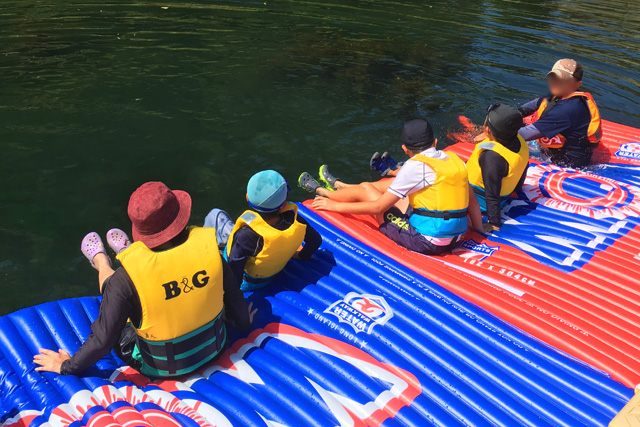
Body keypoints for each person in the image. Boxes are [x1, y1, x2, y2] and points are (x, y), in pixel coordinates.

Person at [34, 182, 253, 378]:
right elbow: (234, 297)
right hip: (214, 347)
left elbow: (103, 340)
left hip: (161, 367)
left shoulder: (123, 280)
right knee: (129, 288)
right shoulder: (209, 251)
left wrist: (66, 366)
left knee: (113, 286)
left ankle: (102, 262)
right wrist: (244, 325)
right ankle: (129, 255)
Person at [299, 119, 483, 256]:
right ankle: (338, 187)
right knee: (393, 193)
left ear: (405, 149)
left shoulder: (414, 166)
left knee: (366, 190)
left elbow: (378, 207)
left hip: (427, 241)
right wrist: (479, 231)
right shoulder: (455, 160)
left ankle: (324, 193)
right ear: (435, 142)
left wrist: (335, 207)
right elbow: (473, 204)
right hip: (456, 237)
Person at [205, 170, 322, 292]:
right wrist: (299, 255)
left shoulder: (245, 235)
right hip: (270, 275)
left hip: (248, 283)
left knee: (215, 214)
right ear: (283, 204)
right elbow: (315, 241)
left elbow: (234, 275)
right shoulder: (296, 220)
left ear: (247, 197)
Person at [518, 58, 602, 168]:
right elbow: (531, 106)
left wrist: (495, 127)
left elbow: (523, 134)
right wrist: (509, 114)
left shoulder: (567, 109)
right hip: (553, 149)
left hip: (568, 163)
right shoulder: (557, 95)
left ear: (578, 84)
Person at [469, 103, 529, 232]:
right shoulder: (519, 139)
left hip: (479, 202)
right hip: (500, 191)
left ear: (488, 130)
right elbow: (523, 165)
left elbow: (492, 193)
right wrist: (517, 188)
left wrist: (494, 223)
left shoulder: (491, 157)